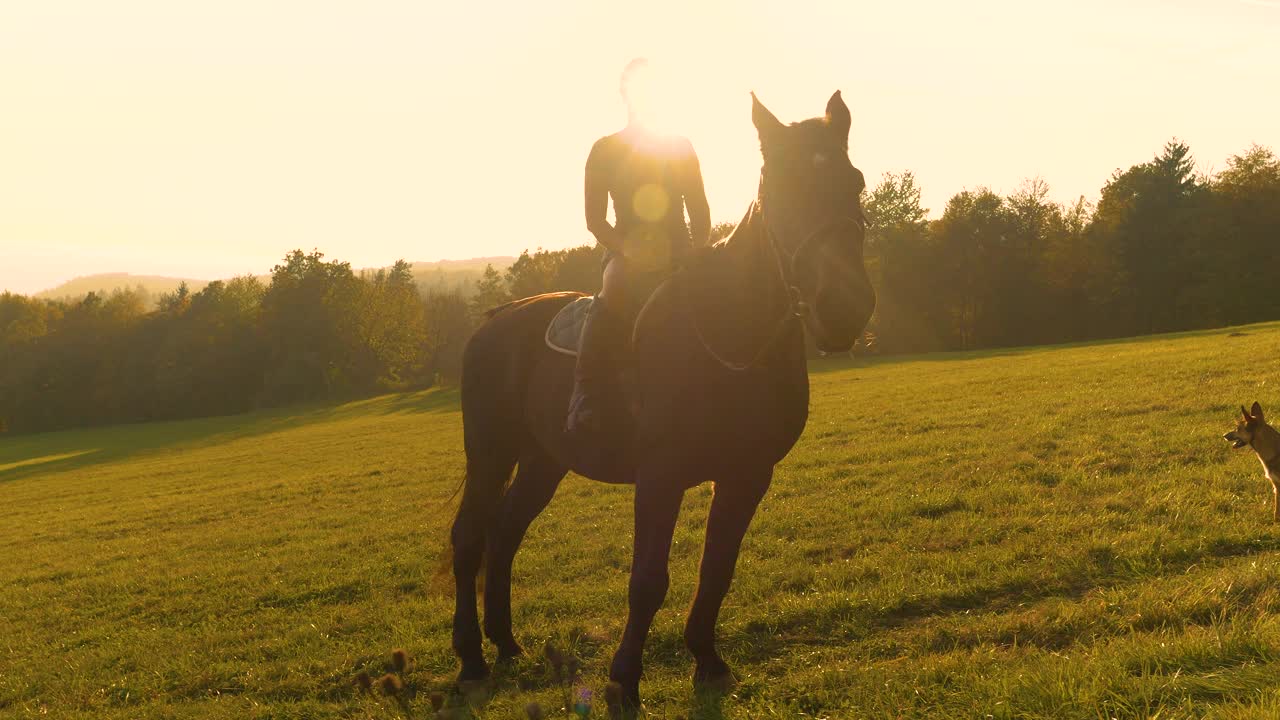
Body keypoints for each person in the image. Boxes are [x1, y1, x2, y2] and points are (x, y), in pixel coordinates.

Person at [566, 58, 711, 436]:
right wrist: (626, 250)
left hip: (680, 248)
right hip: (625, 251)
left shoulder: (680, 146)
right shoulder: (604, 149)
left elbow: (699, 210)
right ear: (625, 95)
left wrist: (697, 252)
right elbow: (595, 220)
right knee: (612, 292)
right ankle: (585, 392)